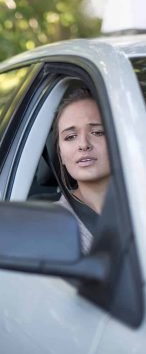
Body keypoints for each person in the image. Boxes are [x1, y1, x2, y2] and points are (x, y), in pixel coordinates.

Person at [53, 87, 111, 254]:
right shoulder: (50, 223)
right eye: (70, 137)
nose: (83, 144)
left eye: (98, 132)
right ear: (61, 155)